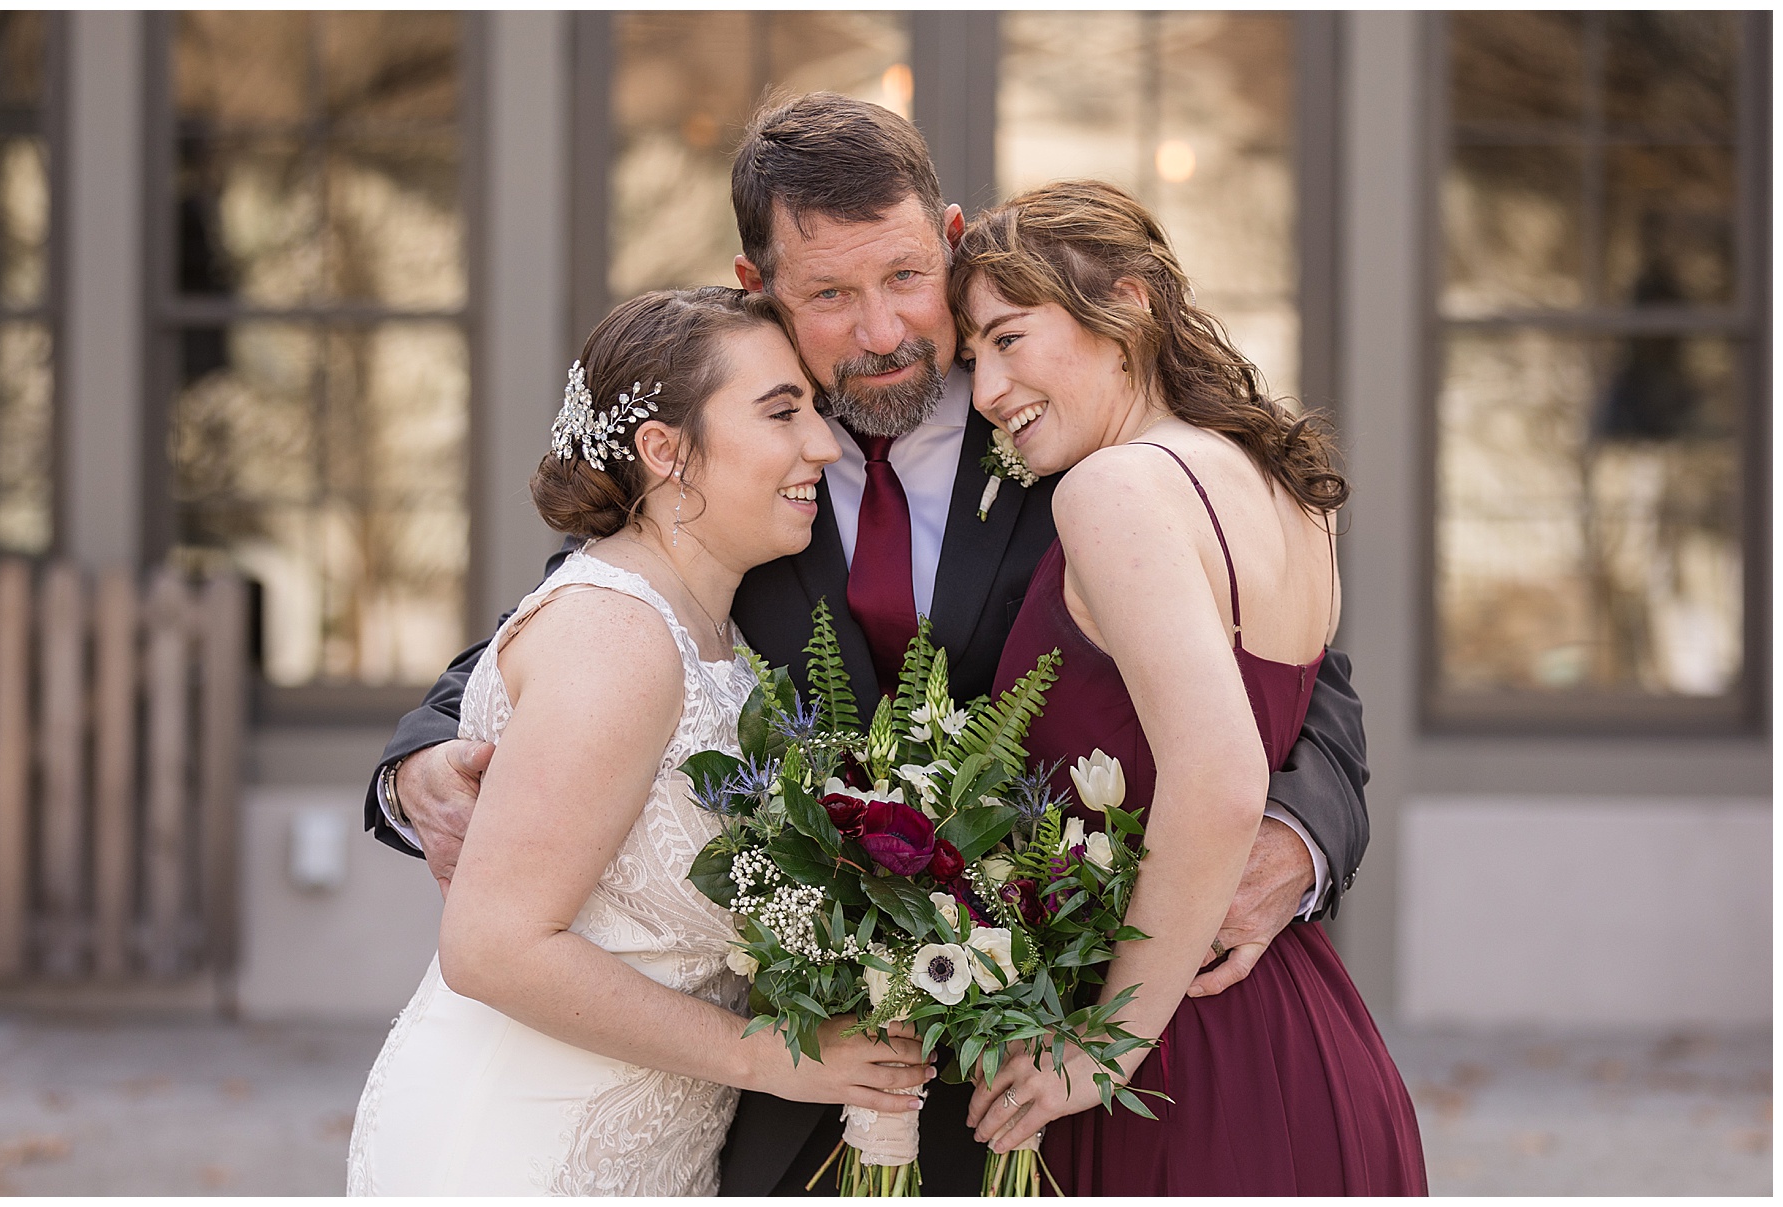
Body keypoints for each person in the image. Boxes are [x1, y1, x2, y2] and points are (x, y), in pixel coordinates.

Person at [362, 93, 1374, 1196]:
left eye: (903, 278)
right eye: (831, 297)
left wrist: (1296, 837)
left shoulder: (1063, 422)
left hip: (1047, 1068)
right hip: (789, 1096)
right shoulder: (732, 458)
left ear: (946, 237)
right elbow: (594, 605)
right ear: (761, 291)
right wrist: (418, 755)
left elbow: (1296, 675)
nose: (884, 331)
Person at [346, 287, 934, 1195]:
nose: (823, 444)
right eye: (783, 413)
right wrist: (782, 1055)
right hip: (522, 1140)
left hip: (651, 1146)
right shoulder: (615, 635)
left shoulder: (722, 639)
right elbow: (493, 947)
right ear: (665, 452)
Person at [954, 181, 1426, 1194]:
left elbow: (1218, 777)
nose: (987, 389)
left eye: (1008, 338)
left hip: (1175, 1073)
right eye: (973, 356)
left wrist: (1104, 1049)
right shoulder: (1282, 485)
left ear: (1125, 304)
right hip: (1303, 1031)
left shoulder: (1115, 490)